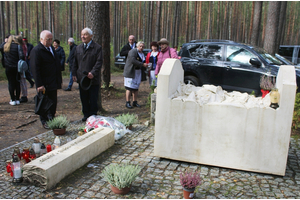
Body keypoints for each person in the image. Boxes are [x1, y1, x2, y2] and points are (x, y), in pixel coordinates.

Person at [30, 30, 62, 129]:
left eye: (51, 39)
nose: (50, 41)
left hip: (53, 81)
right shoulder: (37, 50)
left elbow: (55, 63)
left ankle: (51, 118)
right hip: (43, 82)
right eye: (48, 39)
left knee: (53, 102)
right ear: (42, 39)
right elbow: (35, 68)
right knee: (43, 102)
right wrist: (39, 84)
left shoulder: (51, 48)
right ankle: (44, 121)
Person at [72, 28, 103, 122]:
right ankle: (86, 115)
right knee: (84, 98)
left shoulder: (97, 48)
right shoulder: (78, 48)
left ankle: (93, 116)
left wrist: (92, 72)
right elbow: (74, 62)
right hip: (82, 79)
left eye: (85, 34)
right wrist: (74, 73)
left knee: (93, 98)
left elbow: (99, 62)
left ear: (91, 36)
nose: (83, 36)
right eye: (82, 34)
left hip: (93, 79)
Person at [0, 35, 24, 105]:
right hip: (17, 67)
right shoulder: (18, 46)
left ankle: (12, 99)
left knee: (11, 82)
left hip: (8, 67)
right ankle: (17, 99)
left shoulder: (5, 46)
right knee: (17, 82)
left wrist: (4, 41)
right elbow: (22, 56)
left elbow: (0, 47)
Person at [123, 41, 148, 109]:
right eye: (140, 46)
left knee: (136, 88)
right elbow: (132, 60)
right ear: (137, 46)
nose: (141, 48)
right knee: (129, 87)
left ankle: (135, 102)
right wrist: (142, 64)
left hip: (138, 72)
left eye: (143, 47)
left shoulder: (142, 54)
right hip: (131, 72)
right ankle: (127, 102)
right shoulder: (133, 51)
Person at [15, 36, 29, 103]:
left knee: (23, 81)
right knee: (23, 81)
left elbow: (22, 56)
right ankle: (24, 95)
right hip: (23, 64)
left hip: (21, 64)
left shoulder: (20, 46)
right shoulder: (23, 45)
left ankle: (24, 96)